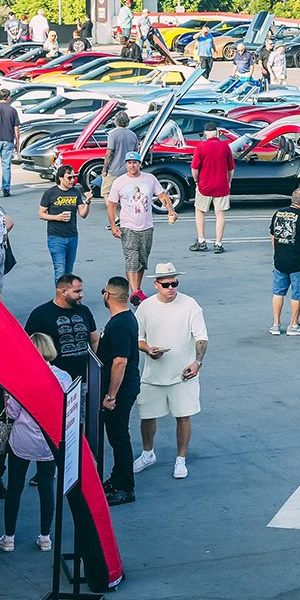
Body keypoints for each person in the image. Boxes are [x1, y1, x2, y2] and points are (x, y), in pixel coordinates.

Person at [134, 263, 209, 480]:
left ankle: (181, 459)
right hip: (153, 375)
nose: (171, 288)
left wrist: (197, 363)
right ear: (156, 284)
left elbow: (201, 337)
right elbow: (138, 337)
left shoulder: (190, 305)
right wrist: (148, 349)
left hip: (182, 375)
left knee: (183, 416)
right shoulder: (146, 307)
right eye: (166, 284)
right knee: (147, 416)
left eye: (174, 283)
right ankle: (148, 454)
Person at [0, 333, 70, 551]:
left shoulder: (20, 378)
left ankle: (9, 538)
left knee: (15, 487)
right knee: (47, 486)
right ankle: (45, 537)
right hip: (49, 440)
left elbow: (12, 412)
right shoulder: (63, 377)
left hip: (22, 439)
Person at [95, 278, 142, 504]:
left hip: (120, 392)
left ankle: (125, 487)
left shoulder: (121, 325)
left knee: (119, 437)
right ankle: (117, 478)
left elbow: (120, 362)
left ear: (108, 296)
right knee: (116, 436)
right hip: (123, 388)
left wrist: (111, 396)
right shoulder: (123, 319)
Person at [107, 151, 178, 297]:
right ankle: (134, 292)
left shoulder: (149, 179)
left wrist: (170, 209)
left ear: (140, 164)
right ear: (126, 164)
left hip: (146, 227)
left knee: (142, 261)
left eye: (135, 163)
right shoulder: (119, 182)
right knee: (131, 259)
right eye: (129, 163)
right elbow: (112, 205)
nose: (132, 166)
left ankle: (137, 289)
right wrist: (114, 225)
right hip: (128, 227)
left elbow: (162, 195)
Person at [25, 273, 98, 383]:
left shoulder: (84, 311)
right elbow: (27, 345)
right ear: (63, 292)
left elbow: (94, 340)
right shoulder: (40, 314)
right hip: (55, 380)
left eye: (81, 291)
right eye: (77, 291)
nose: (81, 295)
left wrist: (96, 365)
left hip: (83, 378)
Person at [268, 190, 300, 337]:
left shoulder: (278, 213)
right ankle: (293, 325)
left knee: (278, 292)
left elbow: (273, 234)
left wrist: (277, 250)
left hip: (280, 260)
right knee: (297, 294)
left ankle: (276, 324)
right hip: (298, 262)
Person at [38, 166, 92, 281]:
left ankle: (69, 296)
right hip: (55, 237)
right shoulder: (50, 193)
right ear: (61, 178)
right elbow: (41, 214)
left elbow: (83, 214)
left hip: (72, 236)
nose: (72, 180)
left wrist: (87, 202)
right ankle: (60, 297)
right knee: (60, 269)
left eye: (74, 177)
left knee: (69, 271)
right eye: (69, 177)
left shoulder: (75, 192)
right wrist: (56, 217)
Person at [189, 127, 236, 254]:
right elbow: (231, 168)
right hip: (222, 185)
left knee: (200, 211)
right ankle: (218, 243)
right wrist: (229, 181)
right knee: (220, 214)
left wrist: (196, 181)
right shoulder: (225, 146)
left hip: (204, 185)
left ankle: (201, 241)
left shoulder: (201, 146)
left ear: (205, 134)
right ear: (217, 133)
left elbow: (194, 168)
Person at [101, 116, 140, 201]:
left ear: (116, 121)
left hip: (114, 169)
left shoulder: (112, 134)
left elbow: (109, 153)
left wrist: (104, 169)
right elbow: (136, 152)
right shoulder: (133, 135)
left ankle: (111, 211)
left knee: (106, 192)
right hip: (128, 170)